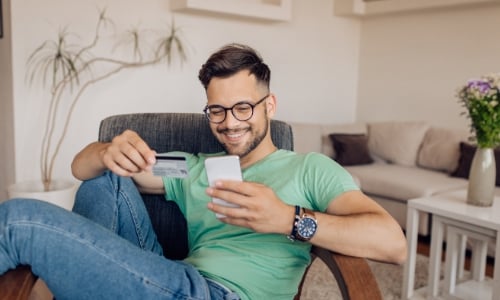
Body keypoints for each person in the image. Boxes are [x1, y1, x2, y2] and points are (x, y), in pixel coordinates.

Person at [0, 43, 407, 300]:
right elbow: (82, 168)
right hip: (173, 281)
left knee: (16, 221)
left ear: (269, 105)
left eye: (243, 107)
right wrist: (108, 149)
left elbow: (393, 243)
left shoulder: (309, 168)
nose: (230, 123)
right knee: (107, 175)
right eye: (217, 110)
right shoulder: (194, 167)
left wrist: (287, 218)